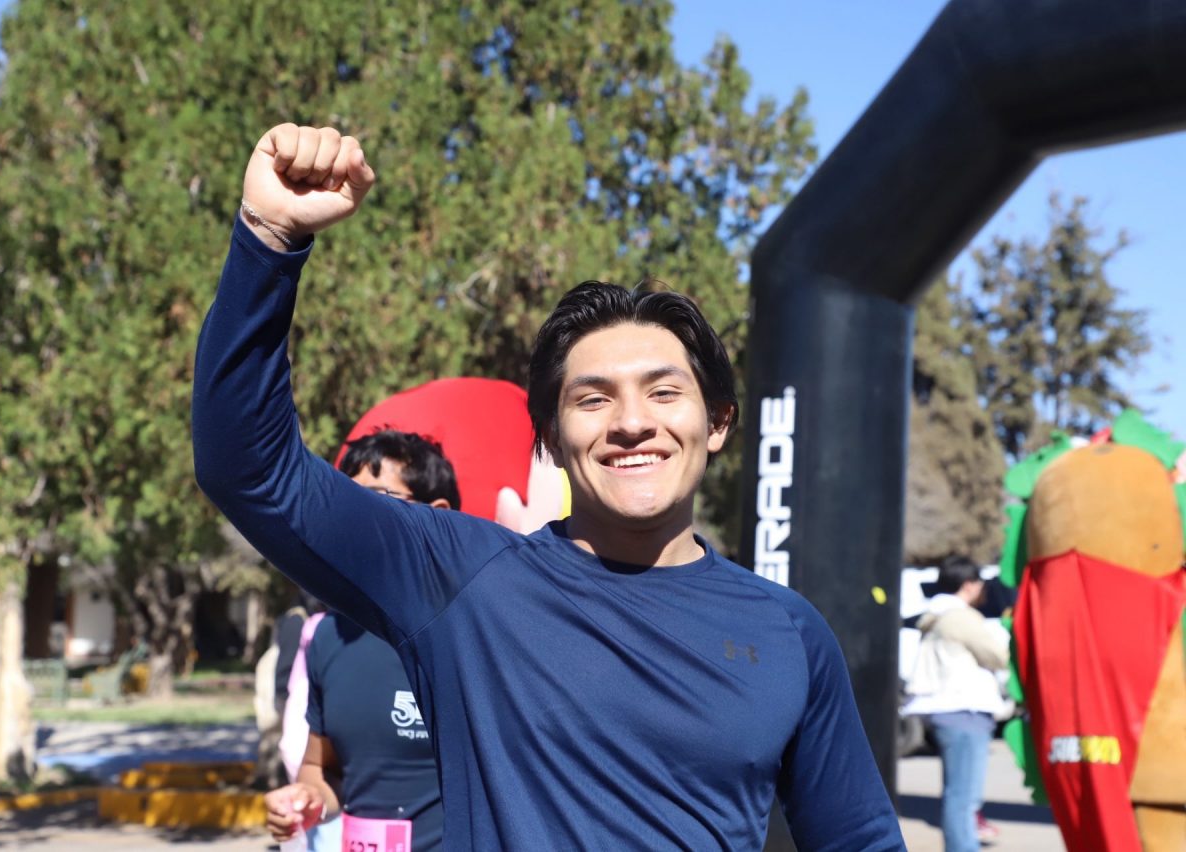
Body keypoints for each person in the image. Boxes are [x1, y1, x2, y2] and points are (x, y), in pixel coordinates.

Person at [194, 122, 904, 849]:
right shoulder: (461, 584)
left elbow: (860, 839)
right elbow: (249, 469)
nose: (632, 423)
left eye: (664, 393)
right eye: (593, 399)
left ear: (717, 422)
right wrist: (269, 239)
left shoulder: (789, 634)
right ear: (552, 439)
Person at [265, 430, 457, 851]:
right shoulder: (330, 636)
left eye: (373, 498)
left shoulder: (472, 636)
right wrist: (308, 799)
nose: (351, 516)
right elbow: (323, 769)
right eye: (343, 500)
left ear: (437, 515)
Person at [903, 555, 1011, 852]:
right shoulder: (960, 617)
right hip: (964, 711)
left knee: (958, 795)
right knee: (964, 798)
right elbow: (998, 655)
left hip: (946, 712)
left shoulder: (936, 615)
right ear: (969, 585)